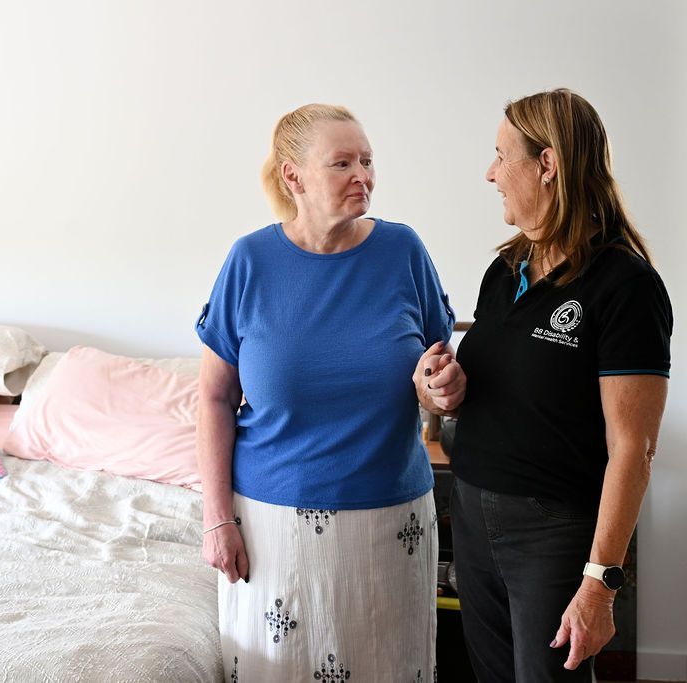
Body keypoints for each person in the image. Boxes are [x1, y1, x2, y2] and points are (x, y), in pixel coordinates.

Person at [196, 103, 463, 682]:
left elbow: (440, 373)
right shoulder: (249, 261)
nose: (362, 176)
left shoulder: (404, 251)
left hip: (392, 523)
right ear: (293, 176)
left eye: (367, 161)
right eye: (342, 163)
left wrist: (440, 388)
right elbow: (214, 399)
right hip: (272, 529)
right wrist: (217, 519)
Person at [417, 88, 672, 682]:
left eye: (503, 156)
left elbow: (634, 448)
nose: (491, 173)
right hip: (473, 515)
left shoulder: (625, 286)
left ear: (548, 165)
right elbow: (505, 387)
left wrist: (600, 581)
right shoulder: (505, 271)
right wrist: (446, 388)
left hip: (550, 534)